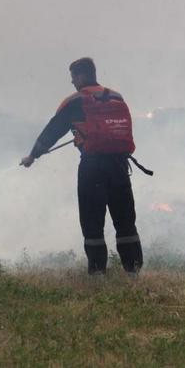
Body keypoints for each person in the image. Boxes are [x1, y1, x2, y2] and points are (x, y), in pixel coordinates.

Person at [20, 57, 145, 275]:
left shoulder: (75, 101)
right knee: (125, 219)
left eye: (72, 77)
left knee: (92, 219)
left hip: (93, 166)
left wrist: (33, 155)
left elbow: (52, 131)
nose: (72, 82)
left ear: (80, 76)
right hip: (119, 165)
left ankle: (97, 272)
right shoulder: (116, 97)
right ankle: (133, 270)